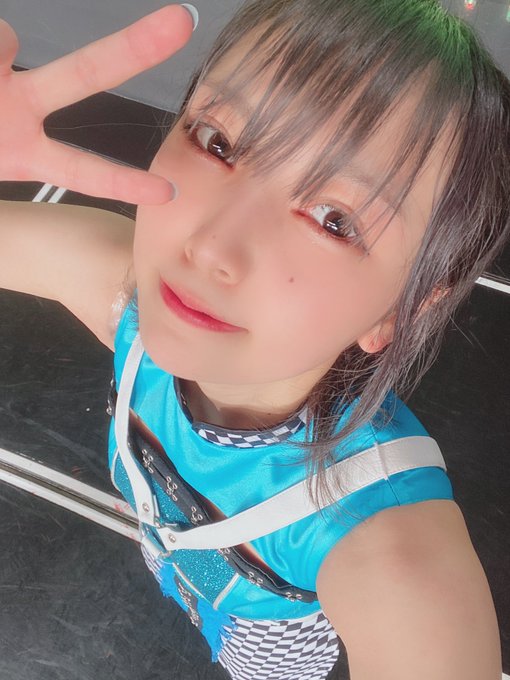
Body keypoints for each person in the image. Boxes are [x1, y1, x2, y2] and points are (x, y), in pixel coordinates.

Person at [0, 2, 508, 678]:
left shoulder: (385, 548)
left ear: (406, 307)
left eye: (332, 219)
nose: (212, 246)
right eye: (217, 141)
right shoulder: (125, 295)